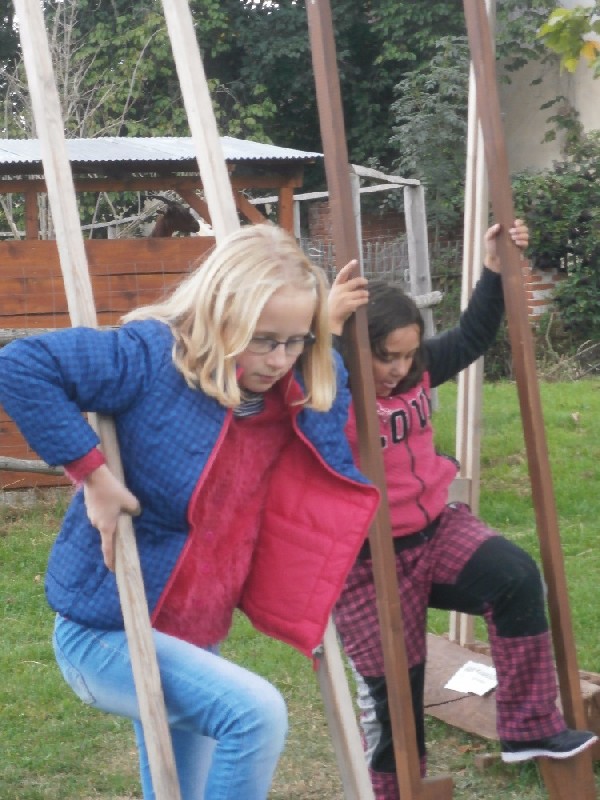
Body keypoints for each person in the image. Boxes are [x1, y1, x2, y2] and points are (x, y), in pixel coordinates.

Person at [0, 223, 379, 800]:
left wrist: (319, 343)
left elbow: (330, 443)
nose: (279, 359)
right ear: (220, 316)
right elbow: (20, 365)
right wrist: (93, 477)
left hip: (195, 633)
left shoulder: (290, 388)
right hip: (106, 631)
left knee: (183, 791)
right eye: (263, 340)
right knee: (254, 715)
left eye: (294, 341)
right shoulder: (152, 358)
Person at [328, 220, 597, 799]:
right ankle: (396, 791)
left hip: (435, 531)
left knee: (514, 577)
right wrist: (325, 331)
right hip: (364, 562)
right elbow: (298, 386)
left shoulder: (418, 369)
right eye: (386, 357)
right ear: (353, 348)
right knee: (395, 695)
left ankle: (528, 727)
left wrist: (494, 271)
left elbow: (473, 335)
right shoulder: (329, 388)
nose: (399, 369)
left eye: (408, 355)